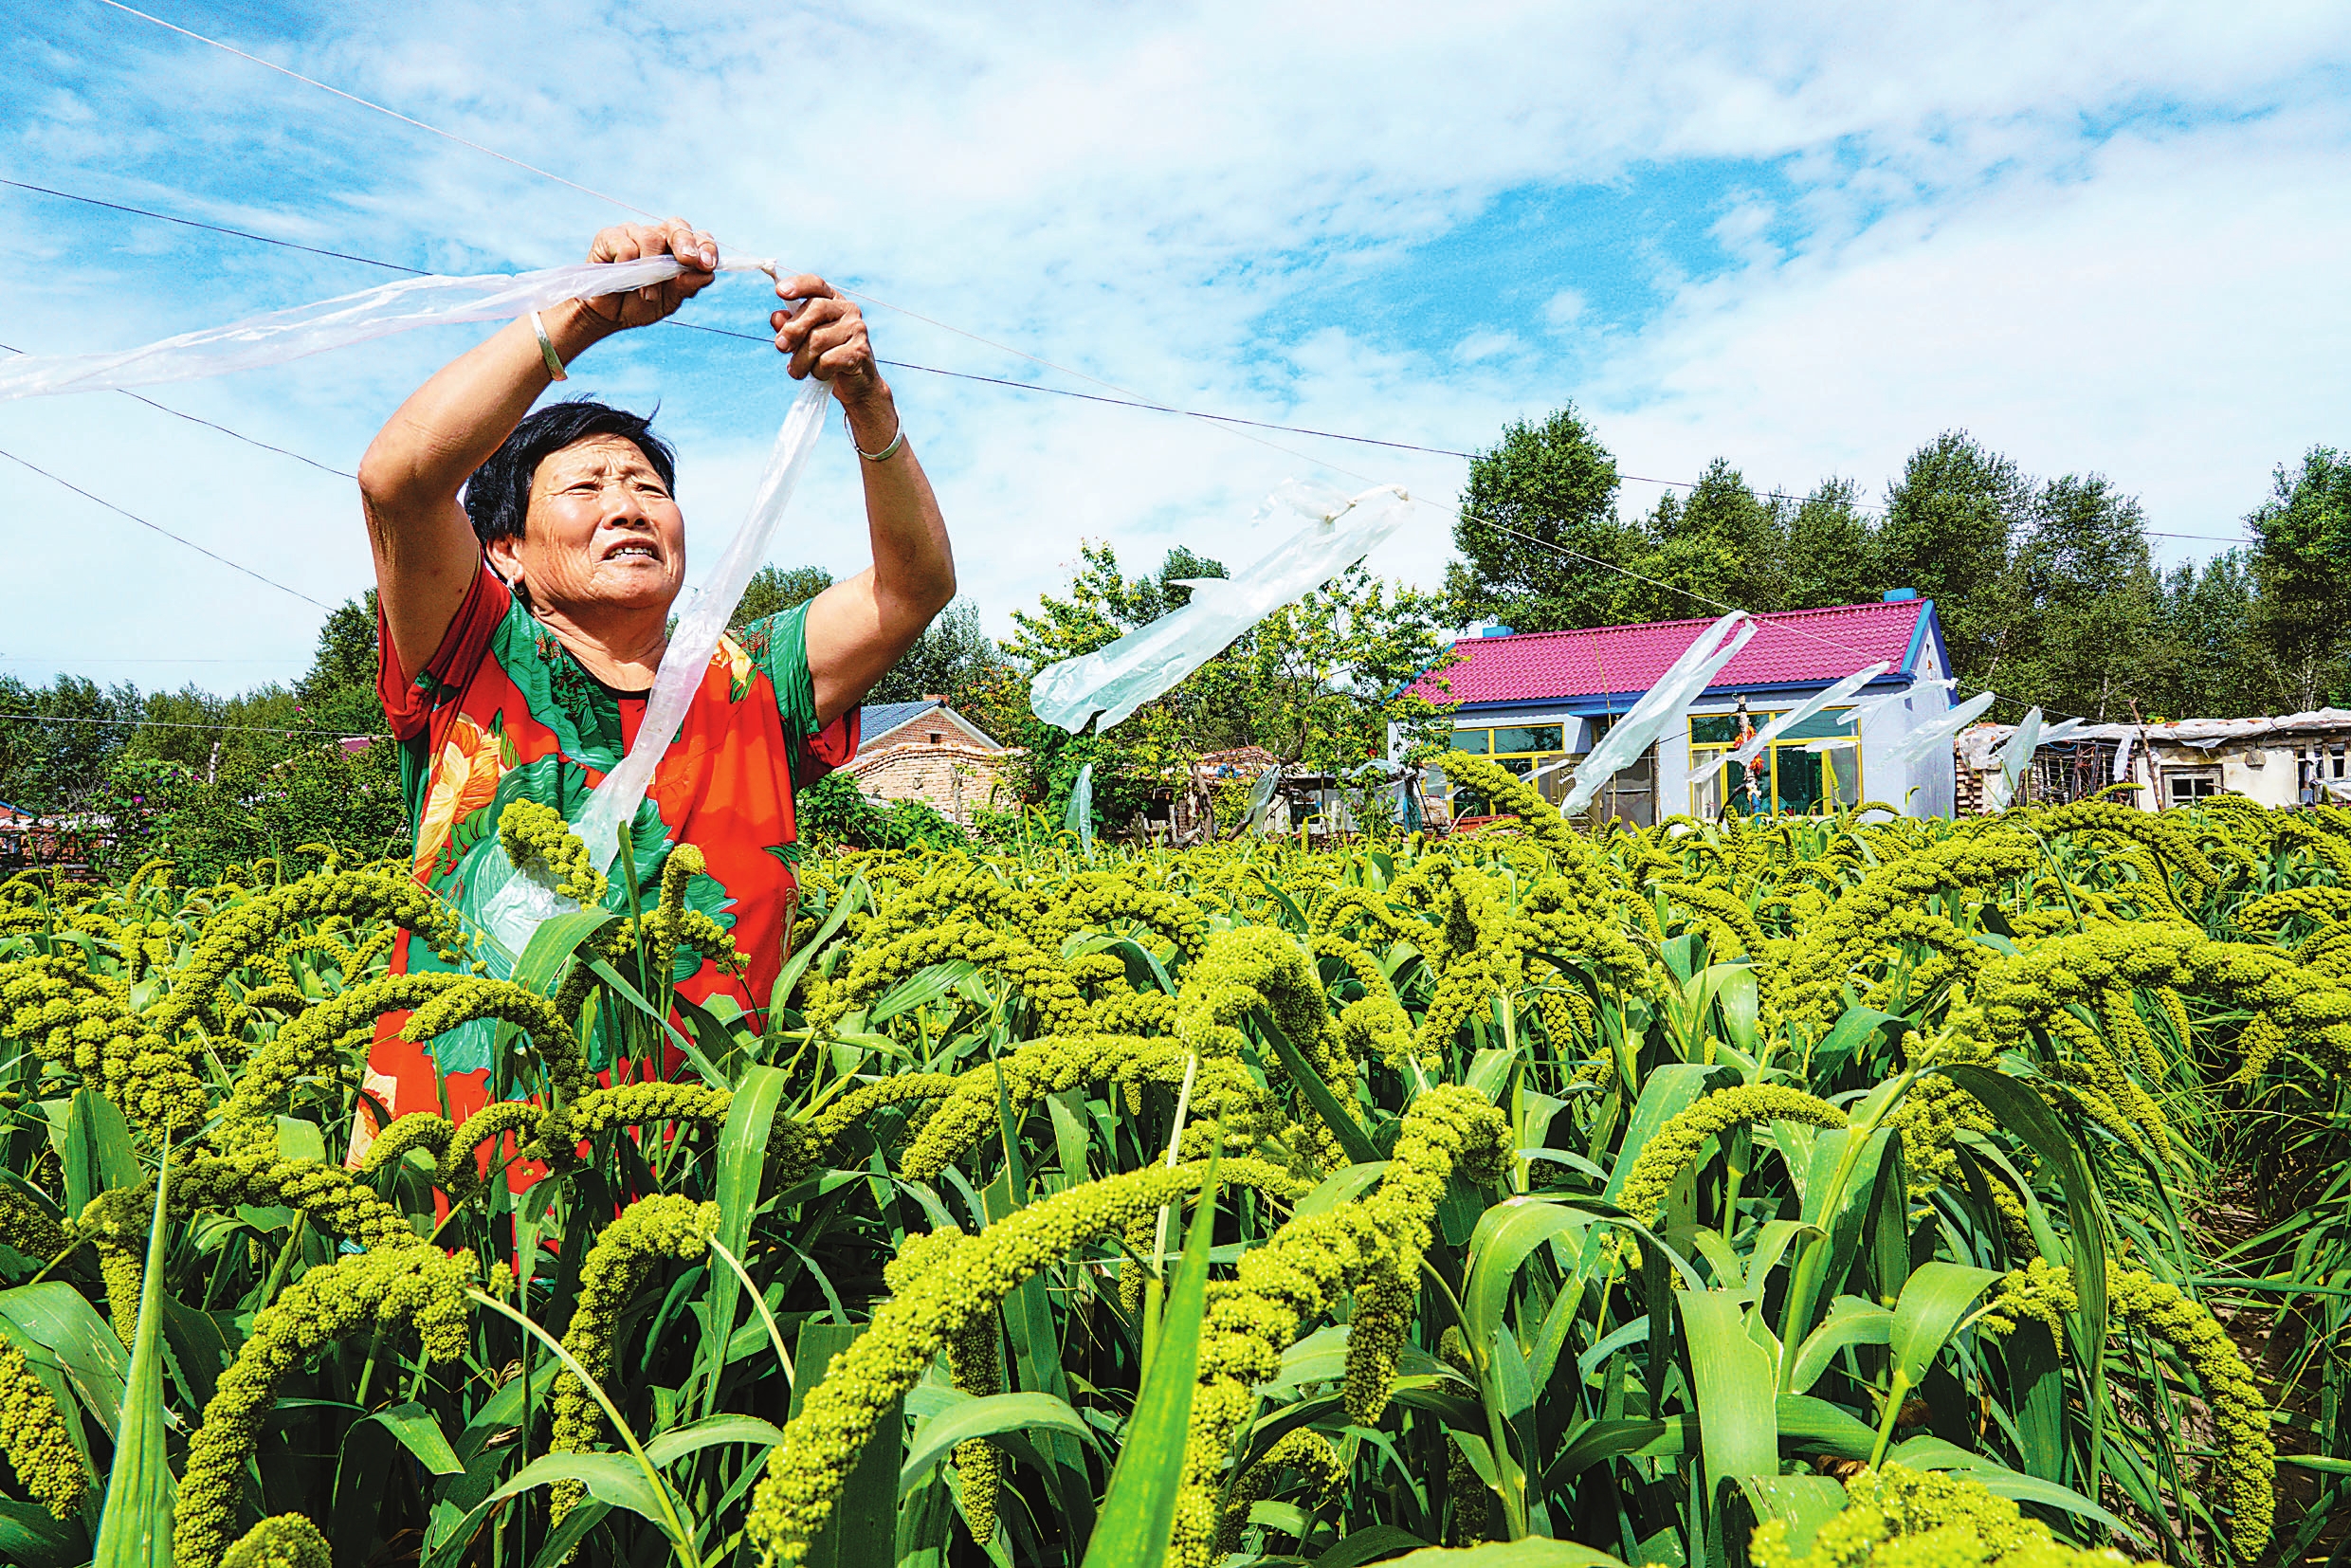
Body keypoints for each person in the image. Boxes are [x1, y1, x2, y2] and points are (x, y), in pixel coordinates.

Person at [346, 218, 953, 1169]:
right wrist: (586, 312)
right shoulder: (475, 650)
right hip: (470, 1181)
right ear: (504, 548)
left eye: (645, 485)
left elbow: (911, 588)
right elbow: (399, 479)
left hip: (704, 1192)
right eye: (584, 487)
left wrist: (865, 400)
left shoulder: (747, 681)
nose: (627, 503)